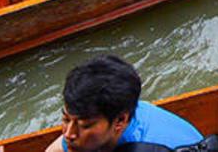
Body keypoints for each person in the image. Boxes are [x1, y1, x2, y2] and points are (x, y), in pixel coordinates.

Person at [45, 55, 201, 152]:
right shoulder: (120, 108)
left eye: (84, 126)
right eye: (66, 119)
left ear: (120, 121)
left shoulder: (146, 146)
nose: (69, 134)